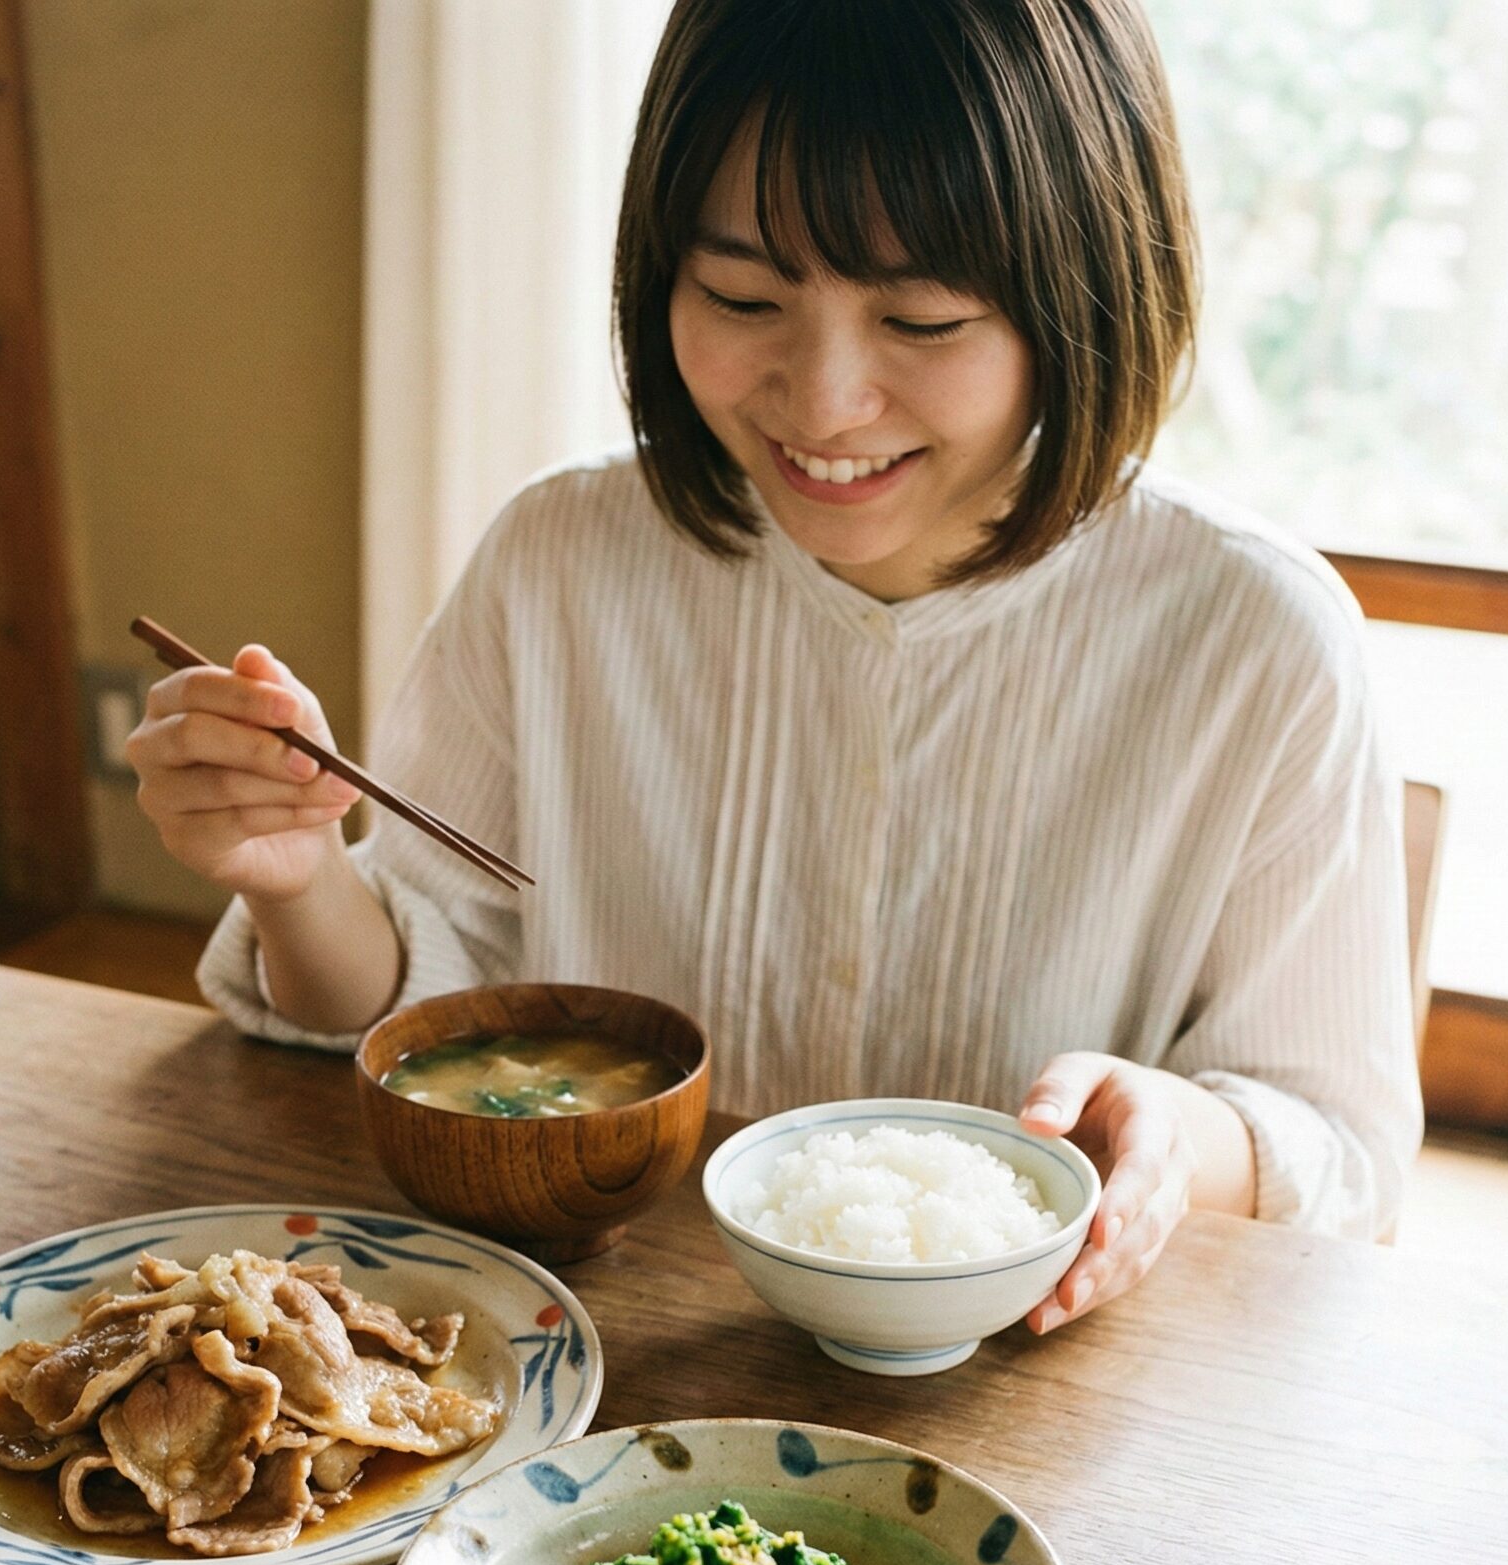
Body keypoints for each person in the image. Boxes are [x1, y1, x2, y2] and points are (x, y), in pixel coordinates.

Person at [127, 0, 1422, 1334]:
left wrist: (1184, 1139)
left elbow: (1341, 1150)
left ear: (1080, 298)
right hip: (597, 1340)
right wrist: (301, 881)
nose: (822, 403)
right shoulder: (559, 558)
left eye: (922, 320)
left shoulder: (1256, 639)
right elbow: (420, 1005)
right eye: (743, 298)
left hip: (1035, 1389)